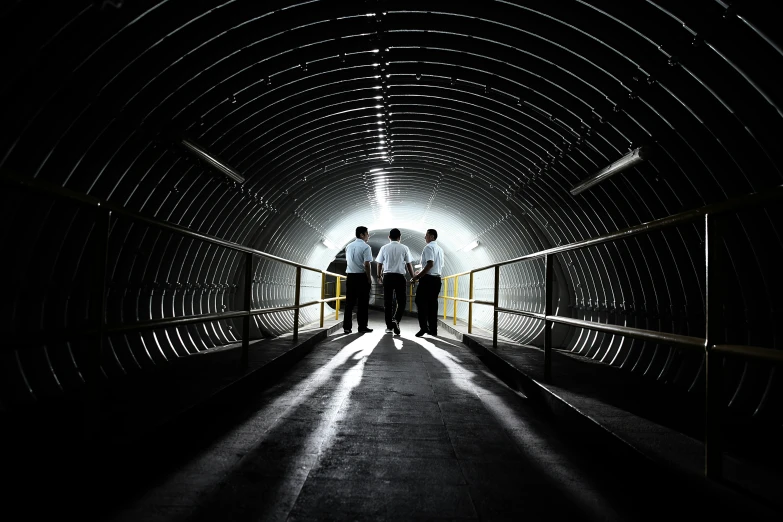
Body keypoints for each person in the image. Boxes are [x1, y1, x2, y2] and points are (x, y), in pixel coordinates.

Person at [376, 228, 416, 335]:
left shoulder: (384, 248)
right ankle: (396, 319)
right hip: (399, 277)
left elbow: (379, 263)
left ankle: (389, 327)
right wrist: (413, 277)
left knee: (388, 303)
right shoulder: (405, 248)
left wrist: (378, 276)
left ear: (389, 237)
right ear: (400, 237)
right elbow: (409, 264)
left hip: (387, 277)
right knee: (402, 302)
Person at [412, 229, 444, 337]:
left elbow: (430, 264)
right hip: (437, 280)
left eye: (426, 235)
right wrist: (421, 271)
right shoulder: (440, 249)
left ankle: (424, 328)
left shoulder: (428, 247)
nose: (424, 237)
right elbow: (437, 266)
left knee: (420, 302)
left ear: (431, 236)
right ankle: (433, 330)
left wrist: (418, 276)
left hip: (428, 280)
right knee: (432, 305)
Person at [343, 226, 374, 334]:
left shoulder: (348, 246)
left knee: (349, 303)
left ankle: (347, 327)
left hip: (350, 276)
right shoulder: (366, 247)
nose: (368, 236)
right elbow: (366, 264)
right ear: (362, 234)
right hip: (361, 277)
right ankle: (362, 327)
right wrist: (369, 278)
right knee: (363, 303)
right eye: (367, 234)